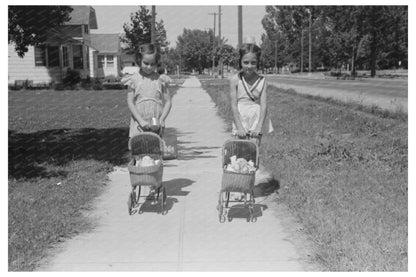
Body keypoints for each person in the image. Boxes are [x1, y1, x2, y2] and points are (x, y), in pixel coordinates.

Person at [121, 43, 172, 139]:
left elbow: (168, 101)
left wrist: (162, 119)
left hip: (156, 124)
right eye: (146, 63)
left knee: (155, 150)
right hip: (138, 123)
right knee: (139, 150)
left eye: (152, 64)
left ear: (157, 63)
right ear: (139, 60)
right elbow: (130, 102)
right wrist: (140, 121)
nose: (149, 67)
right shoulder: (133, 80)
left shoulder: (161, 80)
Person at [229, 43, 273, 143]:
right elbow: (234, 105)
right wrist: (239, 127)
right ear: (240, 62)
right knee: (240, 149)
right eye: (246, 62)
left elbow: (264, 105)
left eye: (253, 63)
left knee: (254, 149)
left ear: (258, 63)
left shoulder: (262, 81)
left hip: (256, 117)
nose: (249, 66)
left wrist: (259, 126)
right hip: (241, 117)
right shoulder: (235, 80)